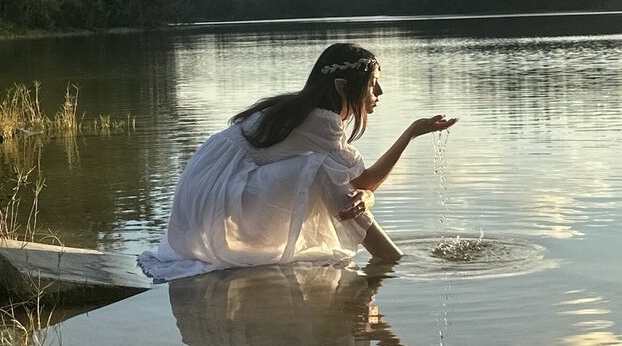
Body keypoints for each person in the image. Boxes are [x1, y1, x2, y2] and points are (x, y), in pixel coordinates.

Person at [137, 42, 457, 281]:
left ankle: (387, 259)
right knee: (323, 173)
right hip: (214, 194)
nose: (380, 91)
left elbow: (360, 186)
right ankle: (390, 259)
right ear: (342, 87)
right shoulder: (322, 122)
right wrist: (410, 133)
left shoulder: (304, 111)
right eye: (373, 83)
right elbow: (362, 184)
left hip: (205, 193)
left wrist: (366, 195)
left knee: (328, 175)